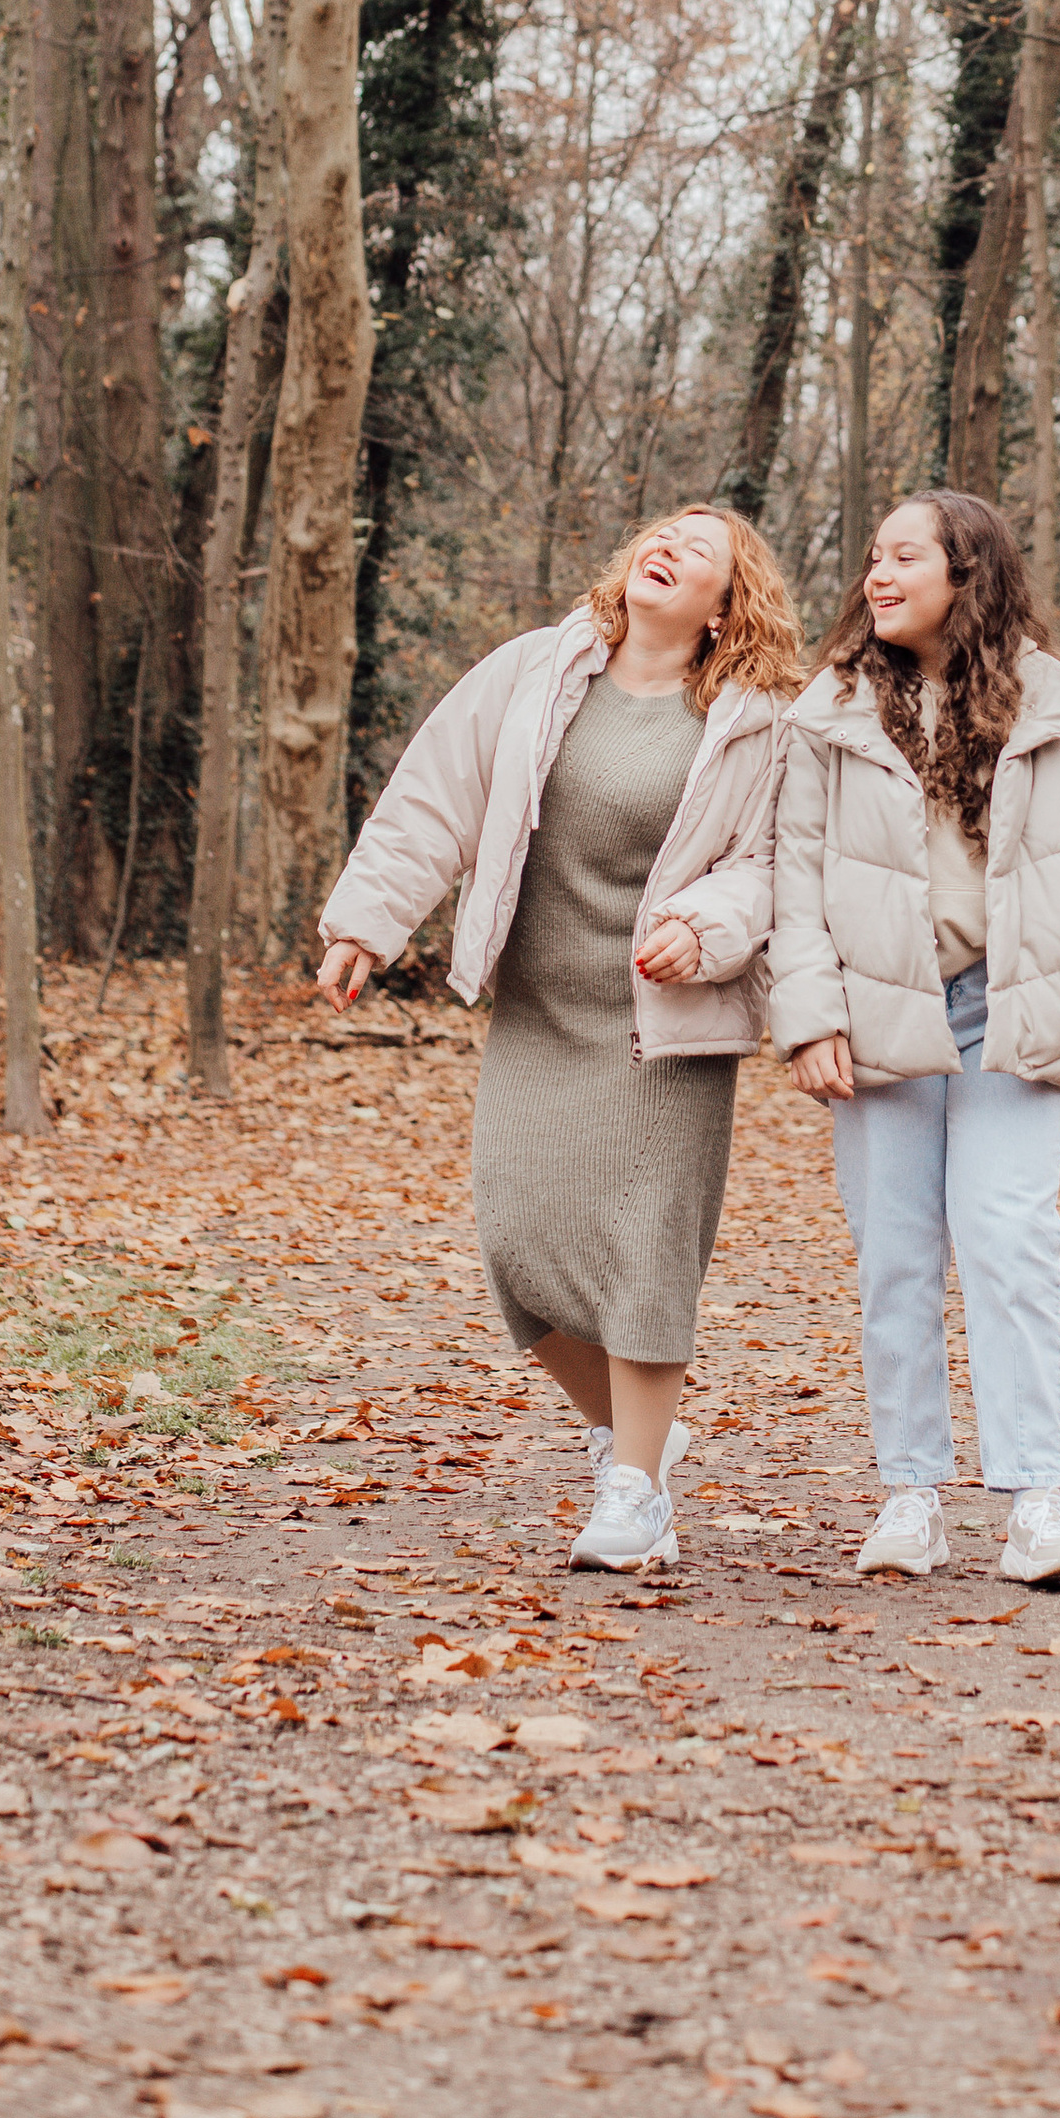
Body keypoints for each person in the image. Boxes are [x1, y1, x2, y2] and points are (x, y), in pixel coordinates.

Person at [316, 506, 805, 1572]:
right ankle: (640, 1433)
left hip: (662, 1030)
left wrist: (705, 928)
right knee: (519, 1256)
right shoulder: (537, 672)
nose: (666, 547)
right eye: (662, 532)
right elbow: (434, 799)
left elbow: (774, 865)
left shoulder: (756, 719)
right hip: (539, 1012)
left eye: (700, 550)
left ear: (727, 608)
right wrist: (367, 919)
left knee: (643, 1256)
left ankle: (635, 1492)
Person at [769, 489, 1060, 1587]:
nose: (876, 576)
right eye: (872, 557)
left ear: (965, 574)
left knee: (1008, 1240)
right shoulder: (829, 711)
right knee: (895, 1256)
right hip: (880, 1010)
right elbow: (793, 875)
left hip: (1011, 1008)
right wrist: (810, 1016)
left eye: (902, 557)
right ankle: (910, 1497)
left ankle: (1038, 1498)